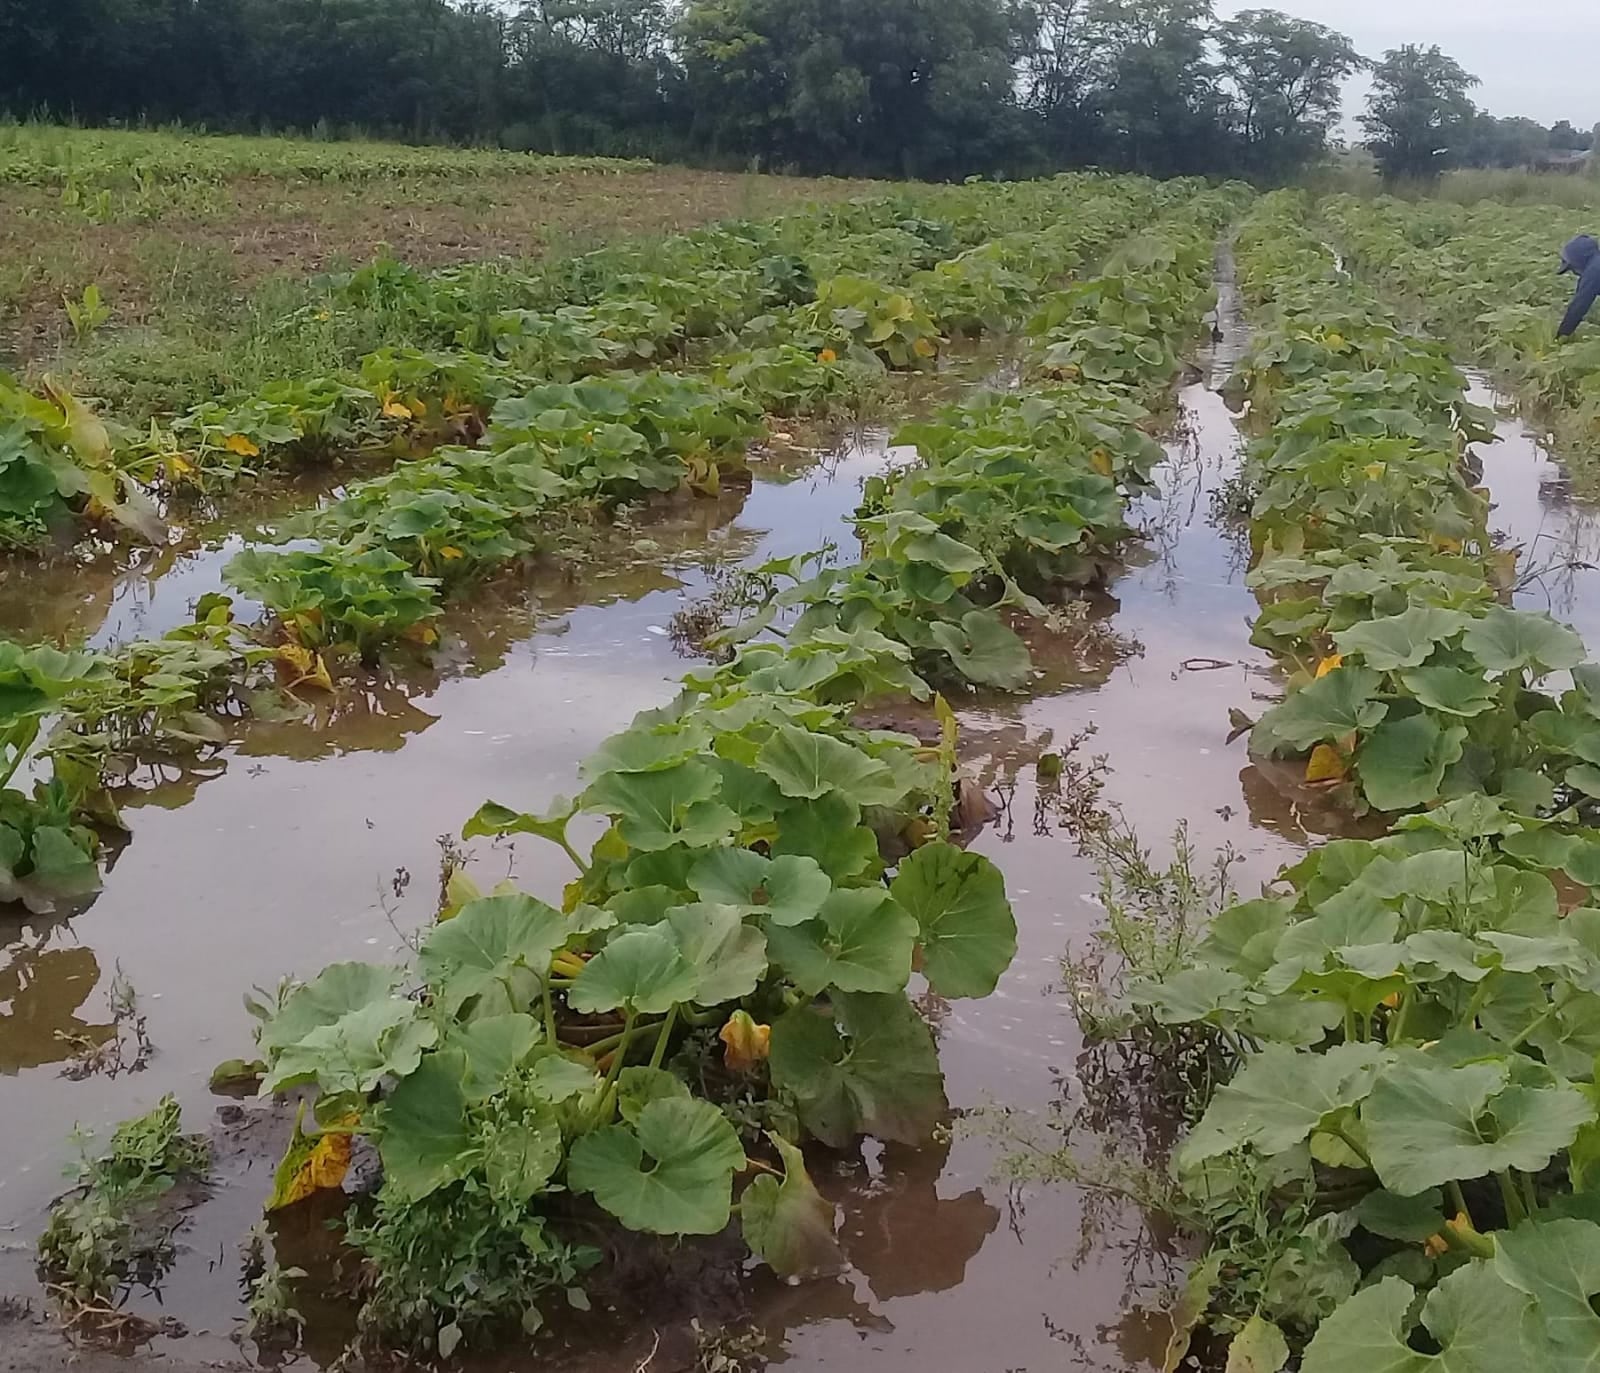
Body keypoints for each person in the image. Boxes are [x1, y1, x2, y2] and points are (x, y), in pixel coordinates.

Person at [1557, 234, 1600, 338]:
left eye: (1573, 268)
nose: (1574, 273)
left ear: (1580, 260)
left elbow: (1578, 307)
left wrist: (1561, 336)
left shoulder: (1594, 269)